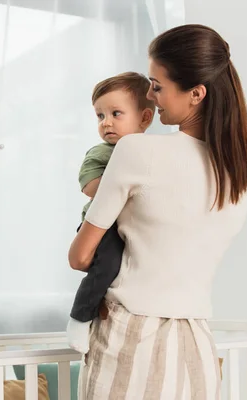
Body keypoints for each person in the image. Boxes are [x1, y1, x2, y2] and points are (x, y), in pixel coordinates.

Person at [68, 24, 247, 399]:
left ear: (196, 94)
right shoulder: (245, 173)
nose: (151, 97)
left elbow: (80, 257)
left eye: (157, 86)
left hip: (130, 339)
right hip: (197, 344)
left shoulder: (137, 151)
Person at [66, 72, 155, 354]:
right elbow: (90, 187)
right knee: (107, 265)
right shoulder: (102, 153)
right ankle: (79, 317)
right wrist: (124, 179)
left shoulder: (151, 152)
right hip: (103, 227)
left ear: (144, 118)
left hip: (135, 225)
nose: (106, 123)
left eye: (116, 113)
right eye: (100, 116)